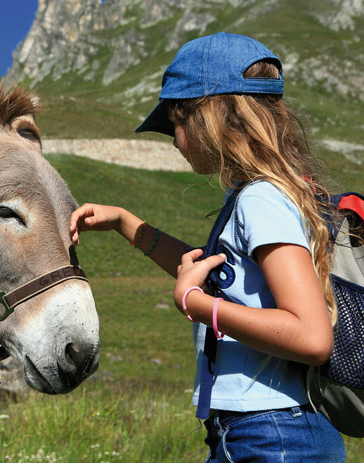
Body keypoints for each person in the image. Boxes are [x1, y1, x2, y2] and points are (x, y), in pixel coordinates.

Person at [69, 32, 346, 461]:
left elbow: (312, 337)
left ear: (210, 117)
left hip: (271, 435)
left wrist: (198, 306)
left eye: (176, 123)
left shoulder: (260, 200)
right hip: (266, 431)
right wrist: (129, 225)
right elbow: (219, 273)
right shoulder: (260, 195)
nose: (175, 140)